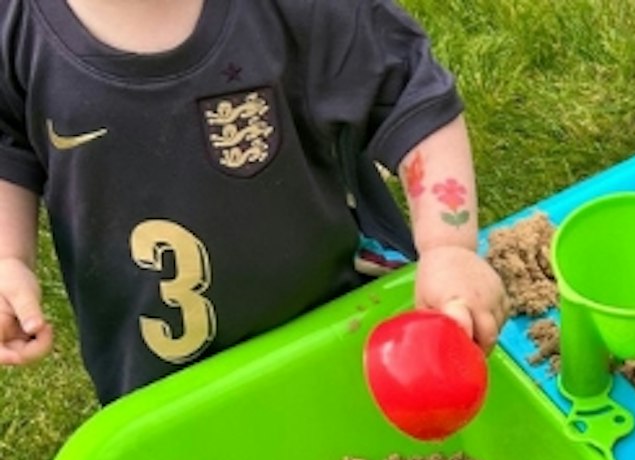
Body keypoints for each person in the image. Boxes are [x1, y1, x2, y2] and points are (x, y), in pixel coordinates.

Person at [0, 0, 507, 403]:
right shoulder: (14, 27)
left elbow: (410, 94)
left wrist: (448, 246)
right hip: (161, 377)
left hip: (343, 323)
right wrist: (7, 257)